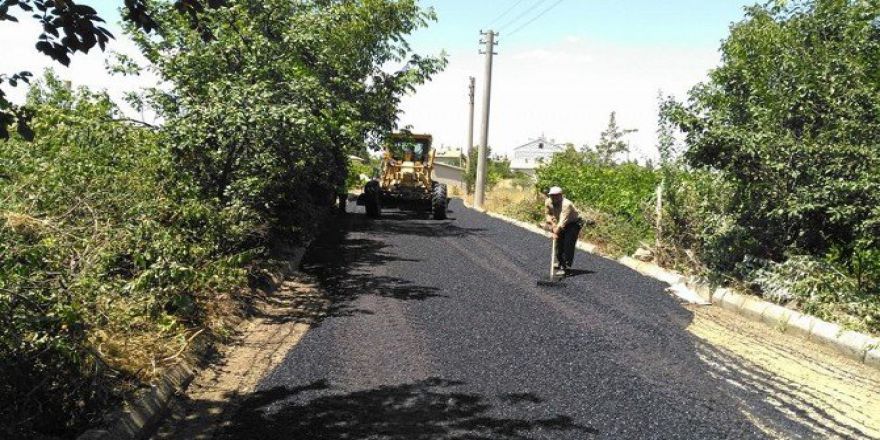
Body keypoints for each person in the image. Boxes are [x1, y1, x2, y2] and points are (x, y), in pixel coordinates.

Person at [544, 186, 583, 276]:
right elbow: (548, 214)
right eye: (552, 196)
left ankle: (566, 267)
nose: (554, 197)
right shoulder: (548, 202)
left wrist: (555, 230)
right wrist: (552, 225)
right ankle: (560, 262)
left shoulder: (567, 204)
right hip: (559, 223)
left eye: (556, 196)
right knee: (559, 244)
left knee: (567, 244)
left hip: (573, 224)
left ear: (561, 195)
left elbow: (562, 222)